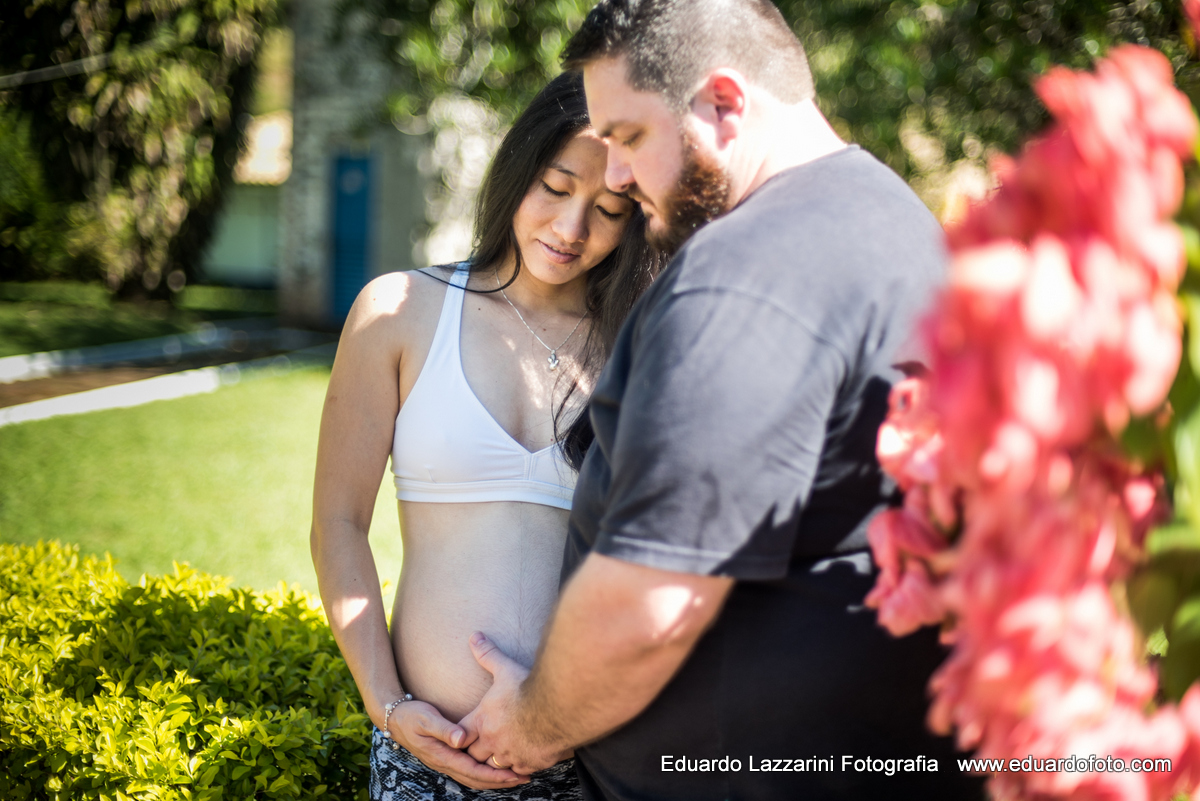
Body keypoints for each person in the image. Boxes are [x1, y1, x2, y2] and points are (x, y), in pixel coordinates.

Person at [454, 1, 988, 799]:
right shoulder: (894, 218)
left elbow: (654, 599)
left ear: (725, 104)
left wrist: (530, 724)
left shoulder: (743, 275)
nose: (621, 177)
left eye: (630, 137)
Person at [309, 71, 664, 801]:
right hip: (427, 753)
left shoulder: (640, 346)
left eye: (608, 209)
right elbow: (338, 523)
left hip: (592, 764)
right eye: (556, 188)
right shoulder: (399, 311)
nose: (571, 230)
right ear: (517, 170)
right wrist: (387, 703)